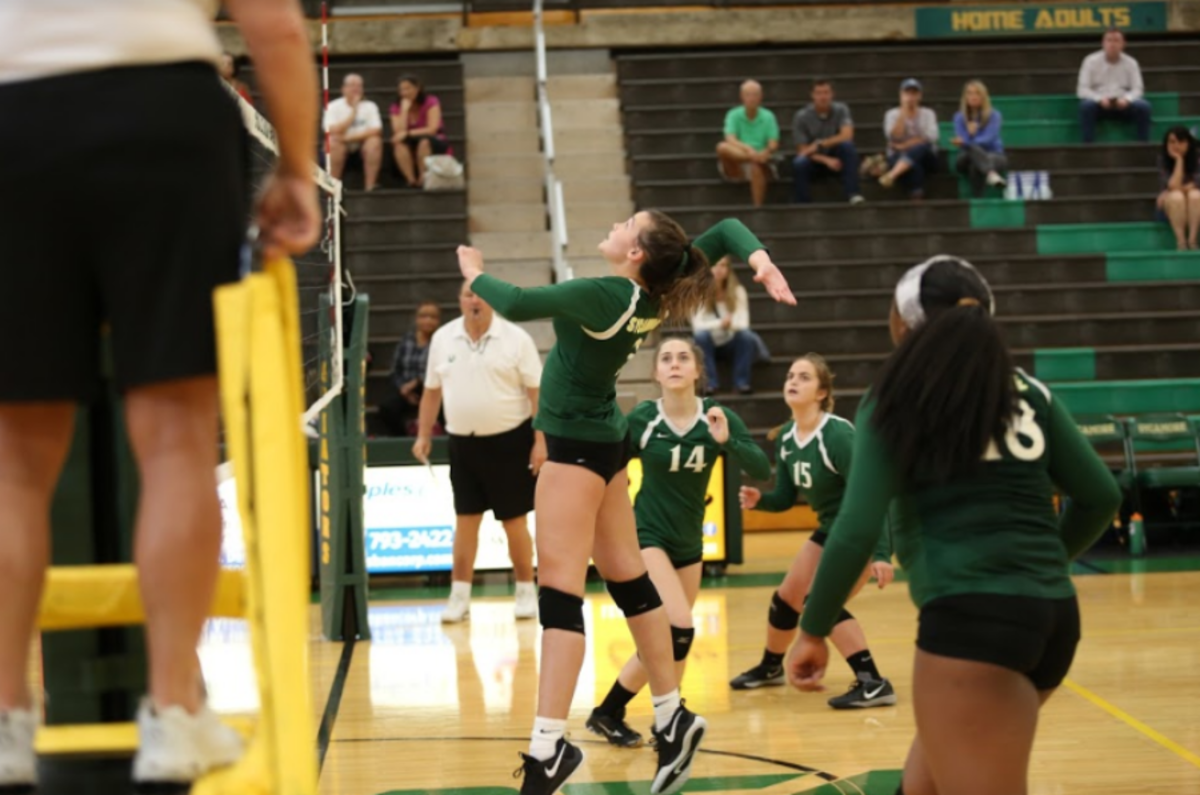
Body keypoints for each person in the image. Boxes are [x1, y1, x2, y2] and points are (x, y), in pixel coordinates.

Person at [0, 0, 320, 787]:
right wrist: (297, 172)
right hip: (162, 114)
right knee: (177, 435)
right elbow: (274, 28)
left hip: (13, 117)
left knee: (13, 460)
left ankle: (6, 718)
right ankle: (173, 712)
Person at [457, 211, 795, 795]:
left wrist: (473, 274)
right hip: (604, 442)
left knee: (560, 595)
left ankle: (547, 749)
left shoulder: (604, 294)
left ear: (636, 253)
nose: (615, 223)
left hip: (574, 451)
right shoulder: (653, 294)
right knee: (628, 579)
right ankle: (671, 713)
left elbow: (513, 300)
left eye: (627, 223)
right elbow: (727, 228)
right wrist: (760, 261)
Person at [787, 256, 1122, 795]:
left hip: (971, 625)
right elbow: (1101, 496)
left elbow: (854, 529)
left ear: (904, 323)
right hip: (1053, 616)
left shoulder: (896, 396)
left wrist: (813, 629)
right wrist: (1040, 567)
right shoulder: (1029, 393)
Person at [587, 338, 771, 746]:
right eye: (665, 359)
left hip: (690, 542)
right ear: (656, 373)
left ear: (696, 372)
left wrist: (730, 442)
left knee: (669, 641)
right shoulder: (644, 419)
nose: (674, 364)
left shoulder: (717, 417)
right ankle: (667, 716)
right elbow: (608, 471)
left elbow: (761, 467)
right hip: (648, 536)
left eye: (683, 358)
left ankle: (615, 713)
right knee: (679, 625)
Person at [728, 355, 896, 709]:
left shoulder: (837, 435)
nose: (793, 381)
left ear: (821, 393)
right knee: (787, 598)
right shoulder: (787, 436)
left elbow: (873, 493)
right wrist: (762, 501)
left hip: (857, 532)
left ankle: (873, 682)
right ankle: (771, 667)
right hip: (830, 528)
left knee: (822, 601)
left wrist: (881, 553)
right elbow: (787, 498)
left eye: (804, 377)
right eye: (790, 375)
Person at [412, 281, 545, 623]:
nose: (475, 300)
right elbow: (431, 392)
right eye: (468, 294)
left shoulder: (517, 339)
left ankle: (526, 591)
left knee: (514, 521)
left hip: (510, 441)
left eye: (481, 295)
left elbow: (536, 394)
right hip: (462, 443)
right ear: (459, 301)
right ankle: (459, 596)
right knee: (465, 520)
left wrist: (540, 441)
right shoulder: (443, 338)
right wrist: (424, 434)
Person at [690, 257, 769, 395]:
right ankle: (710, 384)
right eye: (715, 265)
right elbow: (697, 326)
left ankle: (741, 383)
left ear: (728, 270)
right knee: (700, 336)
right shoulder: (698, 293)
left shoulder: (738, 291)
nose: (719, 269)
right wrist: (722, 323)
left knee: (746, 336)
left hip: (731, 343)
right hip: (708, 344)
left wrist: (729, 324)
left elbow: (744, 324)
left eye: (723, 265)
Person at [791, 79, 863, 205]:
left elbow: (847, 135)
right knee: (799, 163)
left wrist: (820, 144)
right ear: (812, 95)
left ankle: (853, 194)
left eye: (826, 92)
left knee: (848, 147)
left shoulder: (841, 110)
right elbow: (802, 150)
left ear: (832, 94)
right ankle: (802, 202)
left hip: (837, 156)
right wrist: (826, 160)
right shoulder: (801, 116)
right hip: (814, 160)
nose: (823, 97)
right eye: (819, 93)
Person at [378, 301, 442, 436]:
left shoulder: (441, 342)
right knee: (387, 408)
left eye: (432, 317)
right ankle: (403, 437)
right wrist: (403, 389)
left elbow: (442, 371)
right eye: (423, 316)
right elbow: (395, 370)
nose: (428, 321)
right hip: (405, 391)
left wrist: (416, 383)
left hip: (432, 390)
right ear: (416, 319)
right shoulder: (406, 341)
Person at [1077, 28, 1151, 144]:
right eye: (1109, 40)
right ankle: (1088, 146)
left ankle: (1143, 145)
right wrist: (1099, 99)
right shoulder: (1090, 61)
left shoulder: (1131, 63)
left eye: (1116, 40)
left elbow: (1138, 89)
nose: (1112, 44)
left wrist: (1127, 99)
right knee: (1086, 106)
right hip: (1099, 104)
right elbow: (1082, 90)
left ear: (1123, 44)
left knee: (1143, 107)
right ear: (1103, 43)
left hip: (1123, 103)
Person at [716, 80, 780, 208]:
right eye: (748, 95)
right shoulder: (733, 114)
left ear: (761, 96)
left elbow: (773, 143)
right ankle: (752, 160)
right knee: (722, 147)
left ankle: (757, 207)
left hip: (761, 159)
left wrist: (765, 152)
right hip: (739, 158)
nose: (752, 98)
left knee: (756, 165)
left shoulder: (768, 116)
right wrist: (748, 150)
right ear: (742, 96)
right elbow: (730, 139)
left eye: (755, 95)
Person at [880, 79, 940, 200]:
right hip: (898, 156)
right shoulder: (891, 114)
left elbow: (932, 137)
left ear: (920, 96)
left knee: (921, 148)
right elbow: (894, 136)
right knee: (913, 163)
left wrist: (905, 145)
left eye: (914, 93)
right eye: (907, 93)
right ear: (901, 95)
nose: (911, 97)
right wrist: (903, 113)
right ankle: (917, 193)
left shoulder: (929, 114)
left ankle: (892, 175)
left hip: (927, 157)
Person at [390, 74, 453, 188]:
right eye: (402, 90)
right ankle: (411, 179)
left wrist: (409, 133)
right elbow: (398, 132)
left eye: (408, 88)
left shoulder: (431, 101)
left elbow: (432, 129)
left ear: (417, 88)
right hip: (410, 140)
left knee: (424, 142)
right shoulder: (396, 107)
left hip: (433, 138)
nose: (405, 93)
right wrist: (404, 111)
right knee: (398, 145)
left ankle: (422, 177)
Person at [324, 73, 383, 190]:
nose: (355, 89)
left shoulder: (370, 106)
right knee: (333, 143)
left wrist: (346, 138)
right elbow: (332, 130)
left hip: (361, 144)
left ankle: (370, 187)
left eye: (359, 86)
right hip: (340, 145)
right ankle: (331, 189)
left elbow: (376, 130)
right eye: (352, 85)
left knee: (374, 142)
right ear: (343, 89)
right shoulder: (333, 106)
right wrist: (353, 113)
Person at [952, 80, 1007, 198]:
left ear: (983, 96)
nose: (973, 97)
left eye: (977, 93)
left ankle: (978, 200)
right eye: (970, 93)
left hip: (993, 155)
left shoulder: (994, 116)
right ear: (965, 97)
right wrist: (969, 136)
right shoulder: (959, 117)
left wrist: (970, 138)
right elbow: (962, 143)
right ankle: (991, 174)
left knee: (975, 164)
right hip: (964, 158)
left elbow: (988, 139)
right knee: (971, 152)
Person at [1157, 126, 1200, 250]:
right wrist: (1179, 160)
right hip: (1172, 204)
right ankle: (1181, 242)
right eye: (1172, 142)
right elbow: (1172, 186)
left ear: (1188, 143)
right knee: (1177, 197)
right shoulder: (1162, 159)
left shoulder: (1198, 157)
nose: (1176, 145)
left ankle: (1192, 240)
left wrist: (1179, 189)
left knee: (1195, 195)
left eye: (1180, 141)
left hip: (1195, 200)